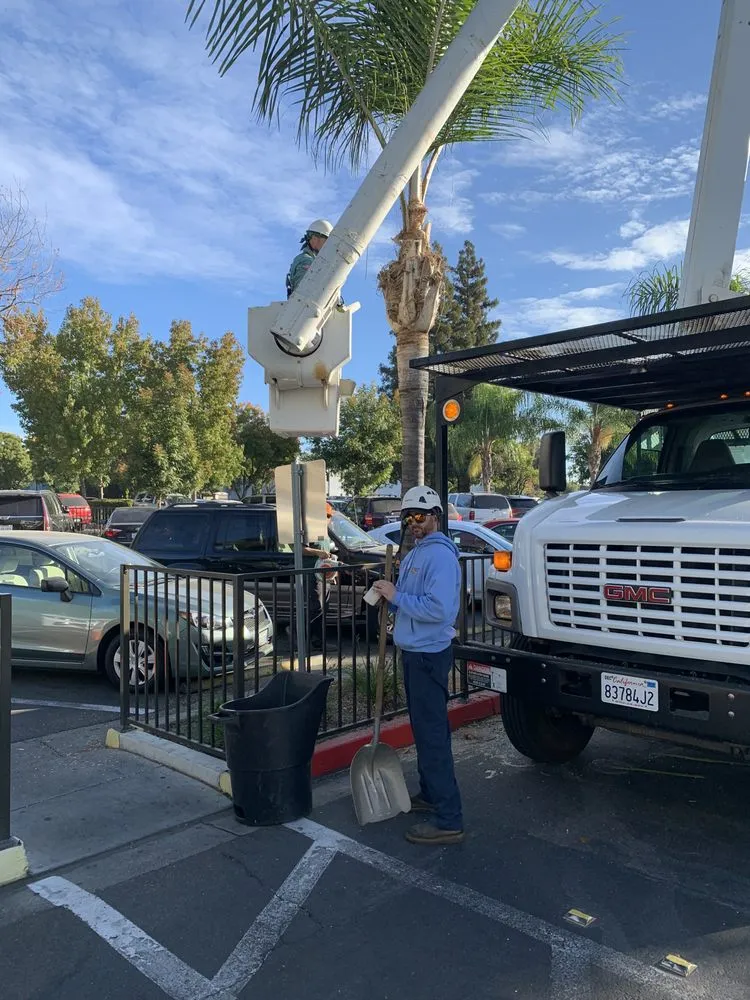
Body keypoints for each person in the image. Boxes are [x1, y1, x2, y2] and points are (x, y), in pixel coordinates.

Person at [372, 486, 464, 845]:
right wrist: (392, 599)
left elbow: (440, 609)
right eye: (408, 517)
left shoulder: (438, 556)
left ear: (436, 516)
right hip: (416, 653)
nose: (413, 523)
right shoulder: (417, 554)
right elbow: (415, 601)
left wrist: (397, 596)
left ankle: (449, 817)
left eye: (420, 516)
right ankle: (430, 793)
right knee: (425, 732)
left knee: (432, 736)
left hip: (428, 655)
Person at [286, 219, 334, 297]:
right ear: (315, 239)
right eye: (325, 241)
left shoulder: (312, 260)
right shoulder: (307, 260)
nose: (327, 245)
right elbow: (304, 293)